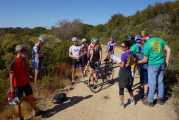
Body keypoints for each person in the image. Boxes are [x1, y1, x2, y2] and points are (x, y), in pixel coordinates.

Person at [9, 44, 46, 120]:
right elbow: (11, 78)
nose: (26, 52)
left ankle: (37, 111)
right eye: (25, 50)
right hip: (18, 86)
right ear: (20, 51)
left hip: (26, 83)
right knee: (18, 102)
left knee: (31, 98)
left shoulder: (24, 60)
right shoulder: (13, 62)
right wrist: (12, 91)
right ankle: (20, 118)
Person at [137, 31, 171, 107]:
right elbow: (169, 49)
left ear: (143, 37)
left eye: (140, 38)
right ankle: (160, 99)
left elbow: (145, 60)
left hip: (153, 65)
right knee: (160, 82)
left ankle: (150, 101)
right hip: (161, 64)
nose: (140, 40)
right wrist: (167, 60)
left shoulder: (146, 45)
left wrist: (135, 62)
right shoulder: (160, 40)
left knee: (152, 83)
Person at [113, 40, 135, 109]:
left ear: (127, 47)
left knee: (121, 88)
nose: (121, 47)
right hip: (129, 71)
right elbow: (130, 62)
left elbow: (122, 65)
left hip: (123, 72)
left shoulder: (123, 55)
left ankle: (122, 103)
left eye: (123, 46)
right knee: (129, 87)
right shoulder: (132, 53)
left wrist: (116, 62)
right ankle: (132, 100)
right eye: (121, 46)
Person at [138, 36, 148, 100]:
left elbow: (145, 59)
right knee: (143, 79)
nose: (138, 42)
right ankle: (143, 91)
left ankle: (145, 94)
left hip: (145, 66)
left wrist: (136, 62)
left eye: (139, 41)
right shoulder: (143, 47)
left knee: (145, 81)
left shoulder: (146, 47)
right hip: (142, 66)